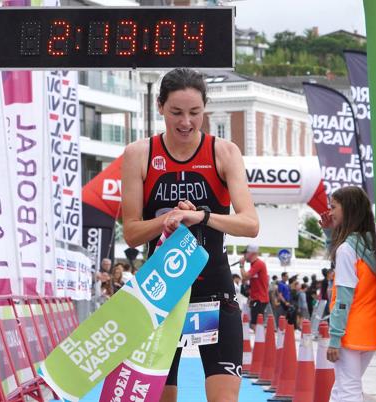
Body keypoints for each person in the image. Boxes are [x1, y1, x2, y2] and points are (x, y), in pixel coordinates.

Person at [122, 68, 259, 402]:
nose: (186, 122)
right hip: (161, 294)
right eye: (176, 113)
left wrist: (200, 216)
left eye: (195, 113)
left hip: (215, 289)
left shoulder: (224, 152)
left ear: (205, 110)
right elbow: (131, 233)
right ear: (159, 107)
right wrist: (167, 220)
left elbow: (249, 223)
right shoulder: (139, 154)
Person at [323, 186, 376, 402]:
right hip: (370, 330)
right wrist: (330, 233)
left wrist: (335, 338)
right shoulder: (373, 244)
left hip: (349, 331)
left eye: (333, 207)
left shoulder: (348, 249)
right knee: (341, 390)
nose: (330, 212)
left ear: (348, 209)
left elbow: (344, 299)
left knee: (347, 392)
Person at [238, 245, 269, 332]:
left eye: (246, 253)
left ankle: (261, 343)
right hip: (257, 298)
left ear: (252, 253)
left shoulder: (258, 264)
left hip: (260, 299)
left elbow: (245, 276)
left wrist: (241, 265)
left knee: (255, 324)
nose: (244, 256)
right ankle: (261, 342)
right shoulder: (254, 265)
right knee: (255, 324)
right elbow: (245, 279)